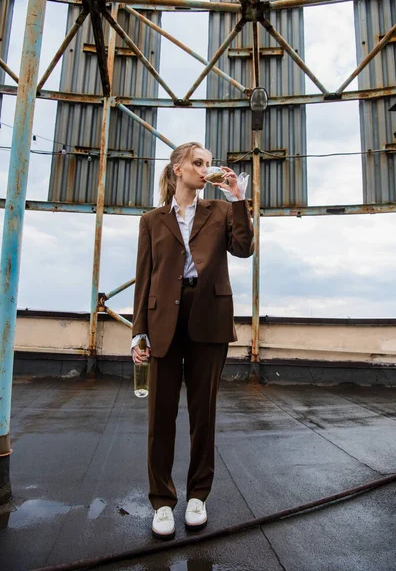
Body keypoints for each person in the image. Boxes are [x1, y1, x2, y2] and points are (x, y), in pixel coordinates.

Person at [131, 142, 254, 540]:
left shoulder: (219, 211)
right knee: (160, 418)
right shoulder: (151, 220)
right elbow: (144, 277)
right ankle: (162, 501)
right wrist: (138, 331)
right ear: (178, 169)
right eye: (197, 163)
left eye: (208, 163)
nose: (205, 169)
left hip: (209, 317)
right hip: (163, 318)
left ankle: (198, 495)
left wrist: (238, 198)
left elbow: (243, 249)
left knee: (204, 415)